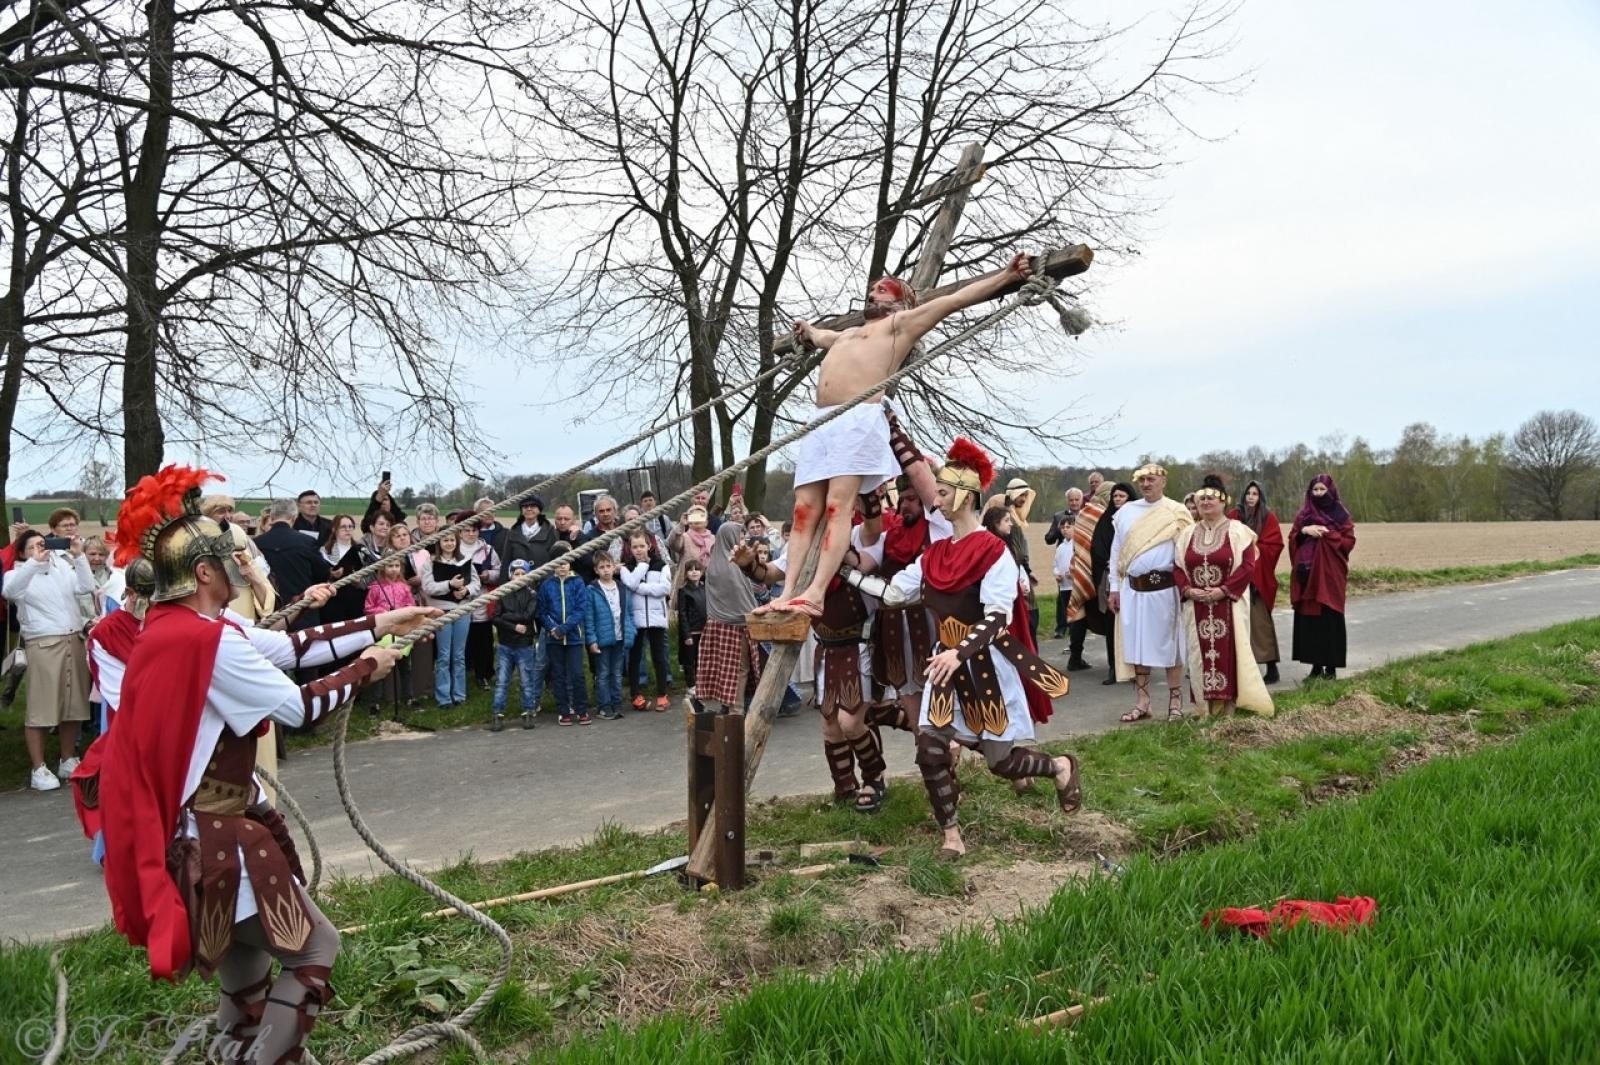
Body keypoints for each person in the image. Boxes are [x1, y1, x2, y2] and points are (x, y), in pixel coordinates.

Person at [95, 465, 427, 1065]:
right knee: (314, 948)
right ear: (203, 572)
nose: (241, 564)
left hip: (197, 827)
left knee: (246, 964)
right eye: (230, 557)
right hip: (214, 832)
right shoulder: (209, 641)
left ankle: (230, 1054)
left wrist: (381, 623)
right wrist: (369, 668)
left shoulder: (187, 625)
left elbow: (291, 647)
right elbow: (299, 709)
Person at [846, 437, 1079, 859]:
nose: (938, 496)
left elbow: (997, 617)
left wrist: (959, 653)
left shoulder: (994, 550)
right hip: (944, 662)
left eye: (946, 490)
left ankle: (1060, 766)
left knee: (999, 762)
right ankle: (951, 836)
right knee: (929, 747)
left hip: (984, 663)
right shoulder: (934, 555)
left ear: (968, 495)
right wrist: (845, 572)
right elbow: (894, 594)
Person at [767, 252, 1034, 617]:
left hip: (857, 418)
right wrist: (808, 332)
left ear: (901, 302)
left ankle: (814, 592)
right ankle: (789, 589)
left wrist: (1005, 276)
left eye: (883, 289)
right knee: (804, 509)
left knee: (836, 505)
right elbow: (821, 335)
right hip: (821, 423)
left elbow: (955, 300)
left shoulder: (901, 326)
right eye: (872, 289)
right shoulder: (847, 334)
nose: (873, 293)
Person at [866, 409, 954, 735]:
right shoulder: (890, 535)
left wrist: (894, 432)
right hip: (893, 627)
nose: (906, 505)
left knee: (947, 705)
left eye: (913, 499)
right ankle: (932, 762)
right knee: (910, 699)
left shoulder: (941, 527)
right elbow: (864, 561)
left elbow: (921, 476)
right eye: (901, 499)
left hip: (933, 625)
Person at [4, 526, 95, 791]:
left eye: (42, 544)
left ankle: (67, 759)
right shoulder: (18, 573)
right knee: (41, 709)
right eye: (32, 546)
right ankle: (38, 768)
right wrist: (34, 562)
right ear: (22, 553)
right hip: (43, 643)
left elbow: (86, 587)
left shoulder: (61, 567)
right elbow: (10, 592)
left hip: (72, 639)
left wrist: (78, 557)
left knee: (73, 705)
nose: (40, 549)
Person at [1174, 485, 1274, 718]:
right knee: (1199, 655)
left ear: (1223, 503)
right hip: (1196, 606)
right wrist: (1188, 590)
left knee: (1230, 652)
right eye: (1202, 499)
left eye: (1212, 498)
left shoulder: (1239, 532)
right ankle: (1204, 709)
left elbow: (1248, 565)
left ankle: (1229, 706)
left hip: (1229, 604)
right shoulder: (1187, 534)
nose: (1206, 502)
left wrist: (1224, 590)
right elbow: (1177, 567)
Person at [1108, 464, 1193, 722]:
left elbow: (1186, 551)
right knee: (1138, 645)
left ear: (1162, 482)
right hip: (1133, 589)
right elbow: (1117, 551)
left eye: (1151, 479)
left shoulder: (1176, 512)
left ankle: (1175, 703)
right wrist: (1114, 587)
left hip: (1165, 589)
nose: (1146, 484)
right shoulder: (1126, 512)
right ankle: (1143, 703)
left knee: (1170, 647)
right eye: (1142, 480)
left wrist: (1186, 586)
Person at [1290, 474, 1356, 681]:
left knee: (1330, 620)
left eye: (1321, 490)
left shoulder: (1340, 514)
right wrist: (1305, 530)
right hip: (1306, 575)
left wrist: (1328, 534)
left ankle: (1331, 669)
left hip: (1329, 577)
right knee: (1311, 623)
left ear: (1330, 491)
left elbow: (1348, 541)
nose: (1318, 494)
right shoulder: (1304, 514)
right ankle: (1315, 668)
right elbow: (1293, 537)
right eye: (1315, 490)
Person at [1229, 480, 1285, 684]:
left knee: (1261, 625)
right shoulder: (1235, 516)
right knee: (1237, 626)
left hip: (1257, 581)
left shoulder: (1268, 517)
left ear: (1260, 496)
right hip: (1236, 577)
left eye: (1255, 493)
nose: (1251, 497)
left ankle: (1271, 668)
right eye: (1248, 493)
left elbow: (1274, 545)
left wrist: (1251, 551)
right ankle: (1240, 672)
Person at [420, 529, 479, 708]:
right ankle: (444, 697)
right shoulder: (431, 563)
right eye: (445, 540)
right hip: (442, 612)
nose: (449, 543)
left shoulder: (464, 561)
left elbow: (476, 583)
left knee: (459, 655)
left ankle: (459, 694)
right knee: (444, 655)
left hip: (462, 611)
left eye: (452, 540)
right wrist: (449, 585)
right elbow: (428, 586)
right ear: (439, 543)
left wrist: (466, 591)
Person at [256, 499, 332, 631]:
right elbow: (322, 574)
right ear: (294, 518)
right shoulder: (307, 542)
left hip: (269, 614)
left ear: (272, 517)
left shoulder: (257, 543)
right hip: (302, 612)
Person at [1064, 480, 1114, 672]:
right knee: (1108, 615)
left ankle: (1075, 657)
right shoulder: (1103, 514)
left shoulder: (1084, 511)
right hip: (1098, 572)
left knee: (1080, 612)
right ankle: (1114, 663)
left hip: (1080, 567)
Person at [538, 544, 590, 725]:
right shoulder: (546, 585)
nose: (563, 565)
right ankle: (564, 710)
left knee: (577, 674)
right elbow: (542, 612)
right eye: (559, 562)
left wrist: (564, 628)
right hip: (553, 640)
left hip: (574, 637)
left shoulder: (578, 582)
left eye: (566, 561)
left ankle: (582, 709)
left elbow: (580, 610)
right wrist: (553, 628)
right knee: (558, 675)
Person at [489, 558, 543, 730]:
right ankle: (497, 714)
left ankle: (528, 711)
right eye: (516, 574)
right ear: (510, 575)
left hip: (524, 645)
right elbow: (496, 618)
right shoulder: (502, 593)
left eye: (523, 574)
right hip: (505, 644)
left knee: (527, 681)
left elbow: (528, 616)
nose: (519, 577)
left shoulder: (532, 595)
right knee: (502, 681)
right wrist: (513, 625)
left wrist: (507, 616)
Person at [620, 531, 672, 711]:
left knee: (659, 656)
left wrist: (641, 588)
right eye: (635, 547)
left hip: (657, 617)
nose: (638, 550)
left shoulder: (661, 565)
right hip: (636, 618)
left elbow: (664, 589)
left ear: (649, 546)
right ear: (630, 548)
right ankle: (636, 694)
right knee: (634, 657)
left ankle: (662, 693)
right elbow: (630, 583)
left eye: (642, 546)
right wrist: (642, 567)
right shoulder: (626, 567)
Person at [363, 557, 418, 715]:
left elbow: (411, 605)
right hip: (384, 630)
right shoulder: (375, 587)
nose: (394, 569)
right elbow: (368, 608)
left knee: (405, 666)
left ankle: (409, 696)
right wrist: (385, 614)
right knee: (380, 665)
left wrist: (403, 613)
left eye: (396, 566)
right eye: (390, 566)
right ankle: (375, 702)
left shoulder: (404, 587)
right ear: (383, 568)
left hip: (402, 629)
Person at [1090, 482, 1131, 685]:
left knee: (1131, 626)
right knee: (1111, 625)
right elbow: (1096, 547)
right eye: (1115, 496)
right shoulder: (1105, 521)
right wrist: (1109, 562)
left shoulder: (1136, 520)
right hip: (1109, 578)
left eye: (1122, 496)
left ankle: (1135, 669)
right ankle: (1113, 668)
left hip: (1132, 578)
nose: (1117, 500)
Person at [586, 552, 634, 721]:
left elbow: (628, 612)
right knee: (603, 673)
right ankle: (604, 705)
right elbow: (589, 617)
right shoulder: (592, 590)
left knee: (617, 672)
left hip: (620, 637)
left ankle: (617, 703)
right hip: (602, 639)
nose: (606, 570)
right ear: (596, 570)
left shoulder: (622, 588)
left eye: (608, 566)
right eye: (602, 567)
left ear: (614, 567)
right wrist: (591, 639)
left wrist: (630, 632)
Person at [457, 516, 502, 690]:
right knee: (465, 639)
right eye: (467, 530)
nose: (470, 534)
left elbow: (499, 570)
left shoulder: (487, 549)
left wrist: (488, 575)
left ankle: (484, 673)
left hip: (482, 598)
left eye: (474, 530)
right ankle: (467, 671)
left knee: (484, 638)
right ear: (460, 532)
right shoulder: (454, 549)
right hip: (461, 599)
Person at [1001, 477, 1041, 635]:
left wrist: (1028, 571)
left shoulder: (1016, 517)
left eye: (1025, 495)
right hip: (1014, 574)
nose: (1023, 499)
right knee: (1029, 618)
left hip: (1022, 571)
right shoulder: (1009, 518)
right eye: (1020, 495)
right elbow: (1015, 552)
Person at [318, 514, 373, 624]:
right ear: (334, 529)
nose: (347, 530)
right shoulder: (324, 551)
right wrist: (332, 575)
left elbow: (372, 575)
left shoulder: (361, 549)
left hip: (357, 599)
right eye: (343, 527)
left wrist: (360, 581)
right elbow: (319, 576)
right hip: (334, 600)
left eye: (350, 526)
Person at [676, 558, 707, 697]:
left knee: (702, 659)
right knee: (690, 660)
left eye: (697, 569)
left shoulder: (704, 588)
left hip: (704, 629)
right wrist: (686, 634)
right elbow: (682, 614)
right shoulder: (683, 591)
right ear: (686, 573)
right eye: (691, 570)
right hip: (691, 631)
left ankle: (701, 684)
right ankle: (690, 685)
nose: (694, 572)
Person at [501, 496, 555, 576]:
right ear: (522, 511)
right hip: (519, 581)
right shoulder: (513, 532)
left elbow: (555, 559)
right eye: (525, 506)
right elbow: (506, 561)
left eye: (533, 506)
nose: (529, 509)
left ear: (539, 510)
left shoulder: (550, 531)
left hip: (544, 581)